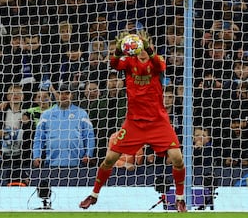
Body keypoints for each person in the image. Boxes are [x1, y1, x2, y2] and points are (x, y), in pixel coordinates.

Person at [79, 31, 187, 212]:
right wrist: (120, 49)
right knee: (109, 159)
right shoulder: (129, 62)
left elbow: (160, 66)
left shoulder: (156, 60)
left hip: (157, 121)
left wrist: (147, 47)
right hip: (134, 123)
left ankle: (180, 198)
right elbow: (113, 64)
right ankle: (94, 195)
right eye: (139, 45)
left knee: (177, 158)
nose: (142, 49)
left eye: (145, 45)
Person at [33, 83, 95, 168]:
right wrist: (36, 156)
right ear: (56, 95)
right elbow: (39, 138)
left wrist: (88, 154)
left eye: (67, 93)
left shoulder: (82, 113)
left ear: (72, 95)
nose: (64, 96)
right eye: (61, 93)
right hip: (51, 165)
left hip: (77, 165)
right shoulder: (46, 115)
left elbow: (89, 136)